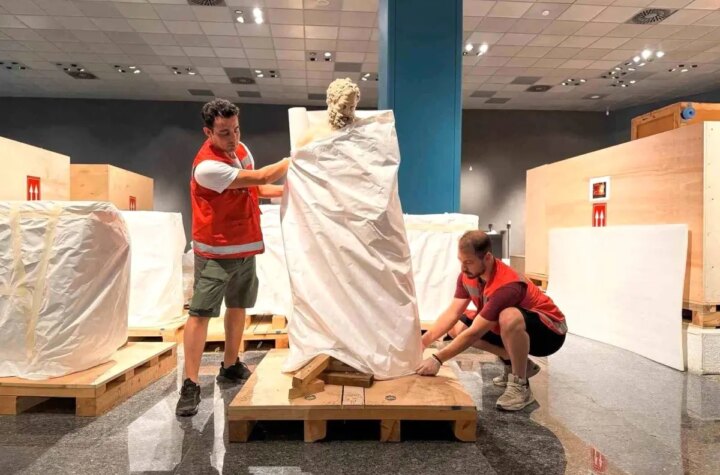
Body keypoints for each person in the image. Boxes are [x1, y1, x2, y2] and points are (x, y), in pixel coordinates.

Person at [176, 98, 291, 417]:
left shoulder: (241, 151)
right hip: (216, 251)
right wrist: (295, 158)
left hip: (244, 246)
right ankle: (190, 383)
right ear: (208, 132)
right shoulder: (207, 167)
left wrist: (293, 191)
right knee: (201, 313)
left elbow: (257, 189)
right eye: (224, 133)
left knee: (239, 305)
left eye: (236, 130)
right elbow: (262, 178)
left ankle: (230, 364)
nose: (233, 138)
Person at [416, 231, 567, 411]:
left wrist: (437, 359)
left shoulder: (507, 284)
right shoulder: (468, 277)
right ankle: (517, 363)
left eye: (469, 262)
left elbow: (475, 333)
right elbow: (453, 312)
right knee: (458, 326)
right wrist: (424, 341)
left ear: (487, 257)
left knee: (508, 316)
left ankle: (520, 384)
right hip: (515, 328)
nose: (463, 268)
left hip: (549, 334)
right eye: (460, 261)